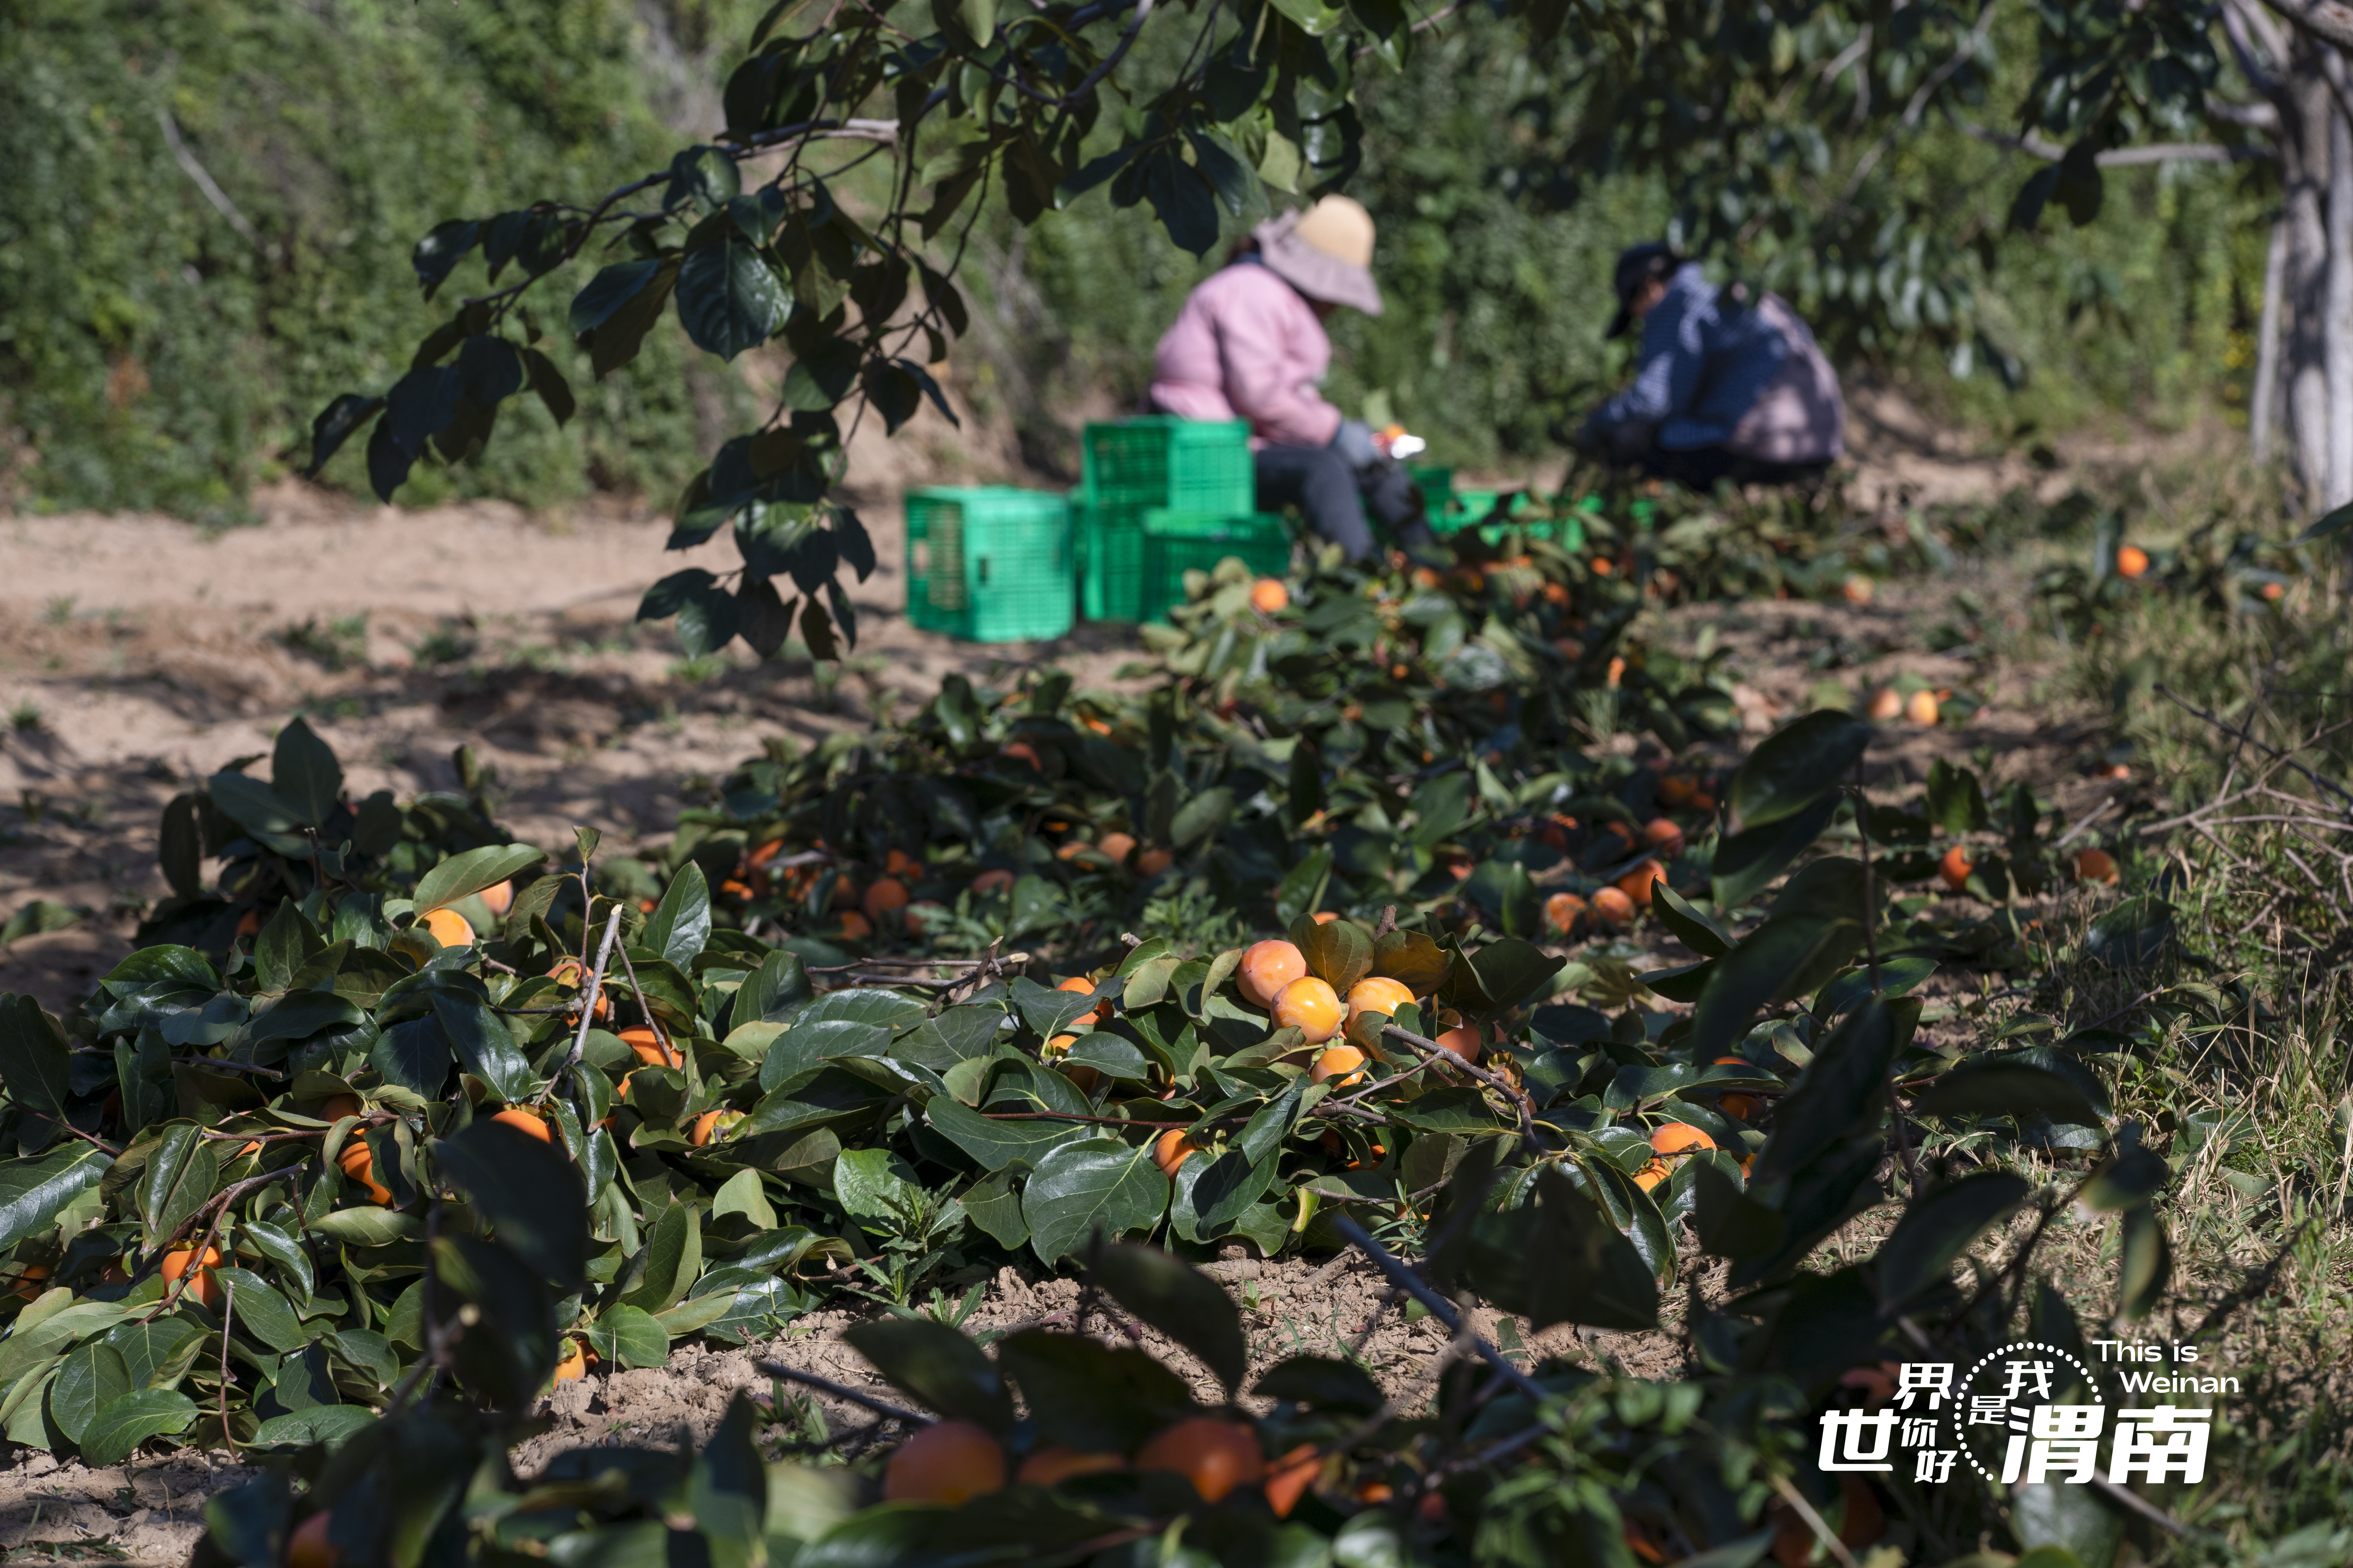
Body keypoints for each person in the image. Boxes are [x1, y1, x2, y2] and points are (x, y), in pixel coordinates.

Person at [1149, 196, 1431, 561]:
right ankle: (1362, 585)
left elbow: (1282, 396)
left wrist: (1346, 436)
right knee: (1324, 470)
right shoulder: (1252, 292)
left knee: (1377, 467)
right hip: (1211, 456)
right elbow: (1260, 396)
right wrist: (1335, 433)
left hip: (1246, 445)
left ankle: (1437, 567)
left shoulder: (1274, 298)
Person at [1578, 243, 1845, 490]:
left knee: (1629, 438)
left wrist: (1595, 424)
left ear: (1649, 287)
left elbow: (1652, 402)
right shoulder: (1721, 283)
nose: (1642, 320)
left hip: (1768, 449)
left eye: (1637, 310)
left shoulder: (1678, 298)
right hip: (1821, 444)